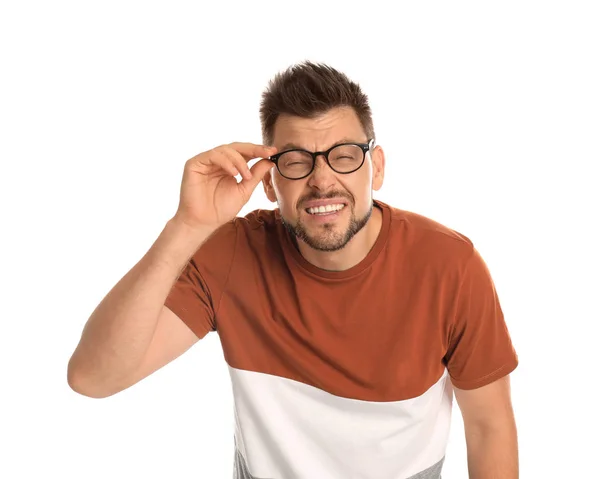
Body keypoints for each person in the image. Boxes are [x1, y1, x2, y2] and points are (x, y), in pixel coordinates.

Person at [67, 61, 519, 478]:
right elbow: (93, 377)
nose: (322, 180)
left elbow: (489, 428)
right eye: (297, 161)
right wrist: (187, 227)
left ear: (375, 167)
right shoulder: (232, 253)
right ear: (268, 181)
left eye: (343, 155)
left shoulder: (450, 266)